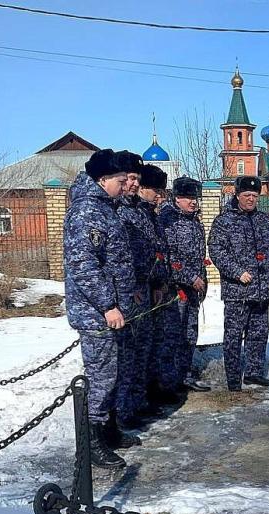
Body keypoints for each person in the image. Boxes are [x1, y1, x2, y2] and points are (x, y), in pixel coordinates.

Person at [63, 149, 136, 468]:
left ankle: (108, 431)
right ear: (102, 180)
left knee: (114, 373)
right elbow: (83, 264)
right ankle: (91, 443)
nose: (125, 186)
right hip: (96, 313)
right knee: (102, 376)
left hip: (113, 309)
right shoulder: (86, 211)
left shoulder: (106, 207)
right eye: (121, 181)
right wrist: (108, 305)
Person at [116, 159, 176, 428]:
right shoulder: (120, 212)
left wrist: (160, 282)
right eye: (156, 191)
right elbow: (123, 258)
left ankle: (140, 402)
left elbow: (155, 252)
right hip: (131, 294)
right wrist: (135, 288)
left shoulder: (145, 213)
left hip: (149, 291)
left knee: (145, 351)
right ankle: (124, 412)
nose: (159, 196)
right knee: (130, 357)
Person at [208, 176, 269, 391]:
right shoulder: (224, 221)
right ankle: (233, 378)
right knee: (233, 336)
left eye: (255, 195)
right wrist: (237, 272)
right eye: (246, 195)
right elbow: (216, 251)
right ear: (237, 195)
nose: (251, 199)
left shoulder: (264, 220)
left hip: (261, 290)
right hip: (237, 291)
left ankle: (254, 373)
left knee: (258, 334)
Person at [159, 176, 211, 392]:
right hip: (175, 290)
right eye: (188, 197)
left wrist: (202, 280)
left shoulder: (194, 221)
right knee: (173, 337)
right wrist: (191, 278)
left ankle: (185, 375)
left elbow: (198, 256)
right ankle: (169, 384)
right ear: (177, 198)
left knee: (190, 334)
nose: (193, 202)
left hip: (193, 291)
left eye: (195, 198)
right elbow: (169, 258)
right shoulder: (168, 221)